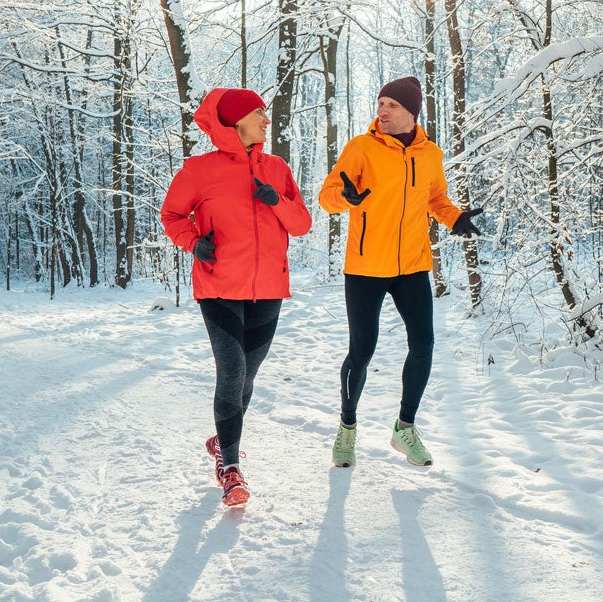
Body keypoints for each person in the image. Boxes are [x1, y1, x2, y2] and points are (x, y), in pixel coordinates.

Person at [319, 76, 483, 468]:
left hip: (411, 265)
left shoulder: (431, 154)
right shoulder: (361, 148)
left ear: (411, 112)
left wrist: (454, 218)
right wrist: (345, 196)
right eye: (379, 104)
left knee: (423, 344)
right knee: (362, 351)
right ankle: (347, 428)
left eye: (391, 105)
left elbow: (435, 197)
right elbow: (327, 197)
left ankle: (405, 427)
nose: (382, 111)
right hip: (365, 267)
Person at [161, 88, 312, 506]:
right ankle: (230, 467)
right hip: (219, 286)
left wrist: (275, 199)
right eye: (259, 113)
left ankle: (222, 437)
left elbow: (301, 224)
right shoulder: (200, 169)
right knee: (231, 371)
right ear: (236, 120)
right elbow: (172, 215)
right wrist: (194, 243)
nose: (267, 120)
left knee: (248, 374)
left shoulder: (276, 168)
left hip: (268, 289)